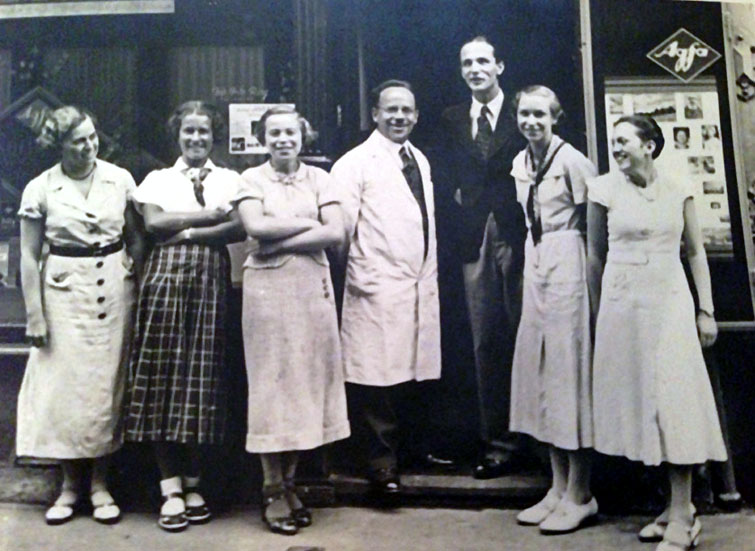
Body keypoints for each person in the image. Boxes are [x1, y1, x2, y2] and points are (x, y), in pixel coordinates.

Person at [586, 114, 727, 551]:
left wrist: (706, 310)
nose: (617, 148)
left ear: (650, 145)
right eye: (614, 141)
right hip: (622, 305)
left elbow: (696, 251)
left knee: (674, 400)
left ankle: (684, 516)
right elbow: (595, 255)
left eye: (624, 140)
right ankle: (672, 507)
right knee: (645, 403)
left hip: (669, 302)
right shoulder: (603, 189)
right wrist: (597, 314)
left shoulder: (678, 186)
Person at [16, 105, 143, 525]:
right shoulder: (41, 188)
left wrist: (138, 284)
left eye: (92, 137)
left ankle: (101, 485)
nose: (89, 147)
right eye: (78, 141)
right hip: (64, 294)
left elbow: (135, 237)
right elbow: (29, 255)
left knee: (108, 386)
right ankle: (69, 486)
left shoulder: (118, 179)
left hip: (114, 287)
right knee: (68, 388)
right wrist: (35, 315)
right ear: (59, 145)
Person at [123, 100, 244, 532]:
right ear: (177, 135)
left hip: (211, 281)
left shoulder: (231, 178)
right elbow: (155, 224)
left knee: (202, 379)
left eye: (204, 132)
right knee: (163, 379)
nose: (196, 139)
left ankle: (194, 483)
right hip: (163, 281)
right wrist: (209, 215)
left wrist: (189, 229)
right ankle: (168, 486)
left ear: (215, 137)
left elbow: (237, 227)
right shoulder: (157, 179)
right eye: (189, 132)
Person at [234, 106, 350, 535]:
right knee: (272, 385)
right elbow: (254, 226)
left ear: (303, 135)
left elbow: (335, 232)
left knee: (305, 383)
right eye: (275, 133)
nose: (284, 139)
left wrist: (278, 234)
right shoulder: (251, 179)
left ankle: (290, 481)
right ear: (264, 139)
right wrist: (306, 224)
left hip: (312, 291)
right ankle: (270, 487)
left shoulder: (322, 179)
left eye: (291, 132)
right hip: (266, 295)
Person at [330, 80, 441, 494]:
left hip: (414, 282)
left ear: (416, 116)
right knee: (376, 380)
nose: (399, 117)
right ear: (374, 113)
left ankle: (409, 454)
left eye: (407, 110)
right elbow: (340, 234)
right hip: (374, 284)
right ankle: (381, 465)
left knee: (409, 374)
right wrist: (362, 276)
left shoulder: (420, 159)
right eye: (390, 109)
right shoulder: (353, 164)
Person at [508, 86, 598, 534]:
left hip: (569, 261)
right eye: (524, 113)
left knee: (568, 373)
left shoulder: (574, 162)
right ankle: (557, 487)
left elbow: (594, 229)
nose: (531, 121)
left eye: (540, 114)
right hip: (536, 261)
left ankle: (581, 492)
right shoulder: (521, 162)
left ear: (555, 117)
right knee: (541, 373)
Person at [438, 35, 527, 478]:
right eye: (467, 63)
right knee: (484, 341)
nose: (475, 69)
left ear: (500, 66)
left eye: (483, 62)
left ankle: (545, 444)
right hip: (473, 239)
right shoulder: (451, 120)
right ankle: (498, 443)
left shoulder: (523, 111)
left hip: (520, 234)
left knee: (529, 335)